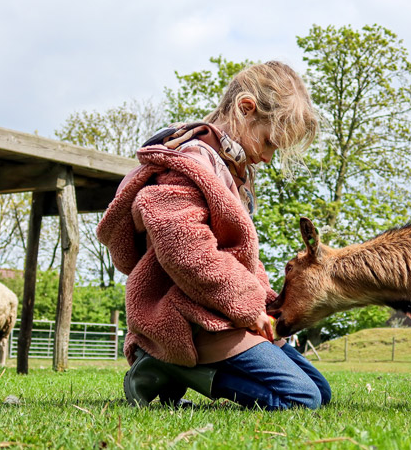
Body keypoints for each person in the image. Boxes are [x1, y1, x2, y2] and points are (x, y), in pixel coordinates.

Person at [96, 61, 331, 410]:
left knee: (320, 391)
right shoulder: (188, 166)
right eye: (269, 142)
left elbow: (243, 255)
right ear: (245, 108)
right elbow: (187, 253)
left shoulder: (232, 170)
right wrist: (247, 306)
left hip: (225, 309)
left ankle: (186, 368)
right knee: (301, 399)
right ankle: (166, 364)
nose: (268, 157)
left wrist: (267, 303)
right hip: (192, 316)